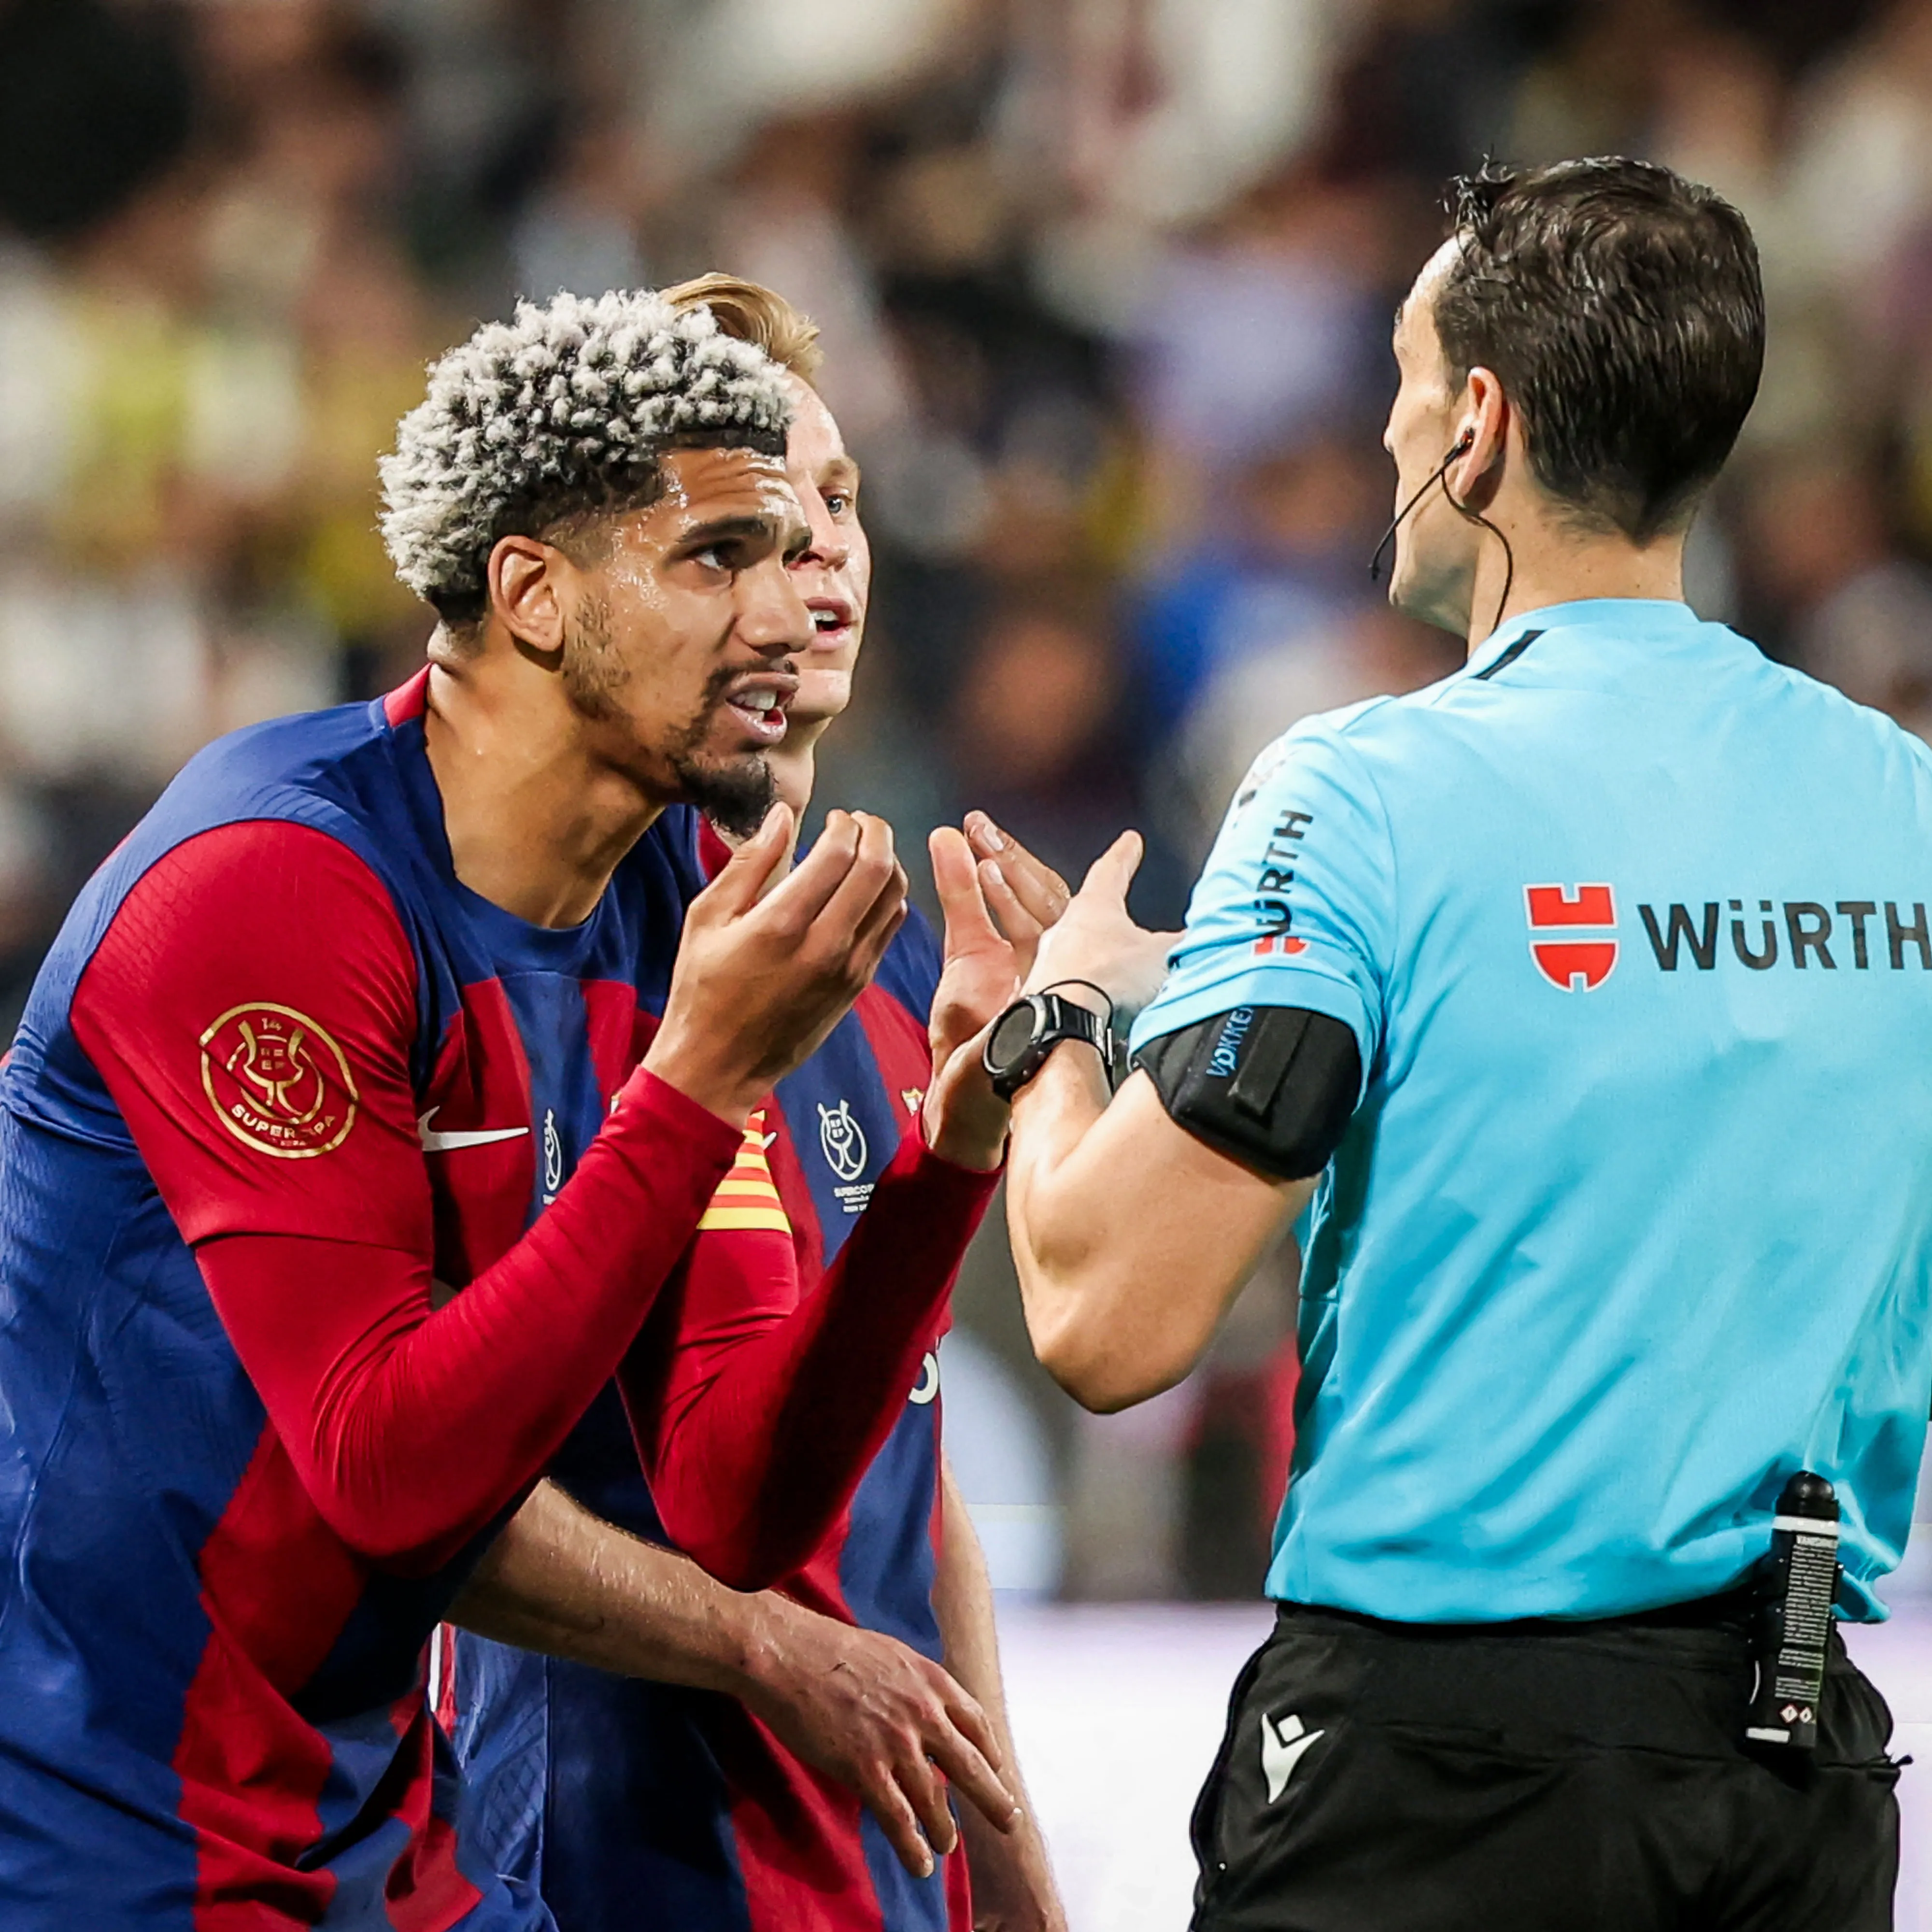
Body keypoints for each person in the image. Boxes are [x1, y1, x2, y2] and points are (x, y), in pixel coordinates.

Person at [979, 157, 1926, 1929]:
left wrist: (1055, 1018)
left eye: (1404, 386)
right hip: (1800, 1784)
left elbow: (1109, 1323)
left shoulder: (1359, 794)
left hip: (1438, 1780)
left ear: (1475, 424)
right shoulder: (1904, 806)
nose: (1392, 431)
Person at [0, 289, 1017, 1931]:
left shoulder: (667, 901)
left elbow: (738, 1509)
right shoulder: (273, 887)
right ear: (533, 593)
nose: (791, 604)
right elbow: (385, 1474)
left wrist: (947, 1165)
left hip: (392, 1842)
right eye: (717, 557)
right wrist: (695, 1089)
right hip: (103, 1832)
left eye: (807, 537)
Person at [440, 275, 1065, 1932]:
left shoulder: (865, 955)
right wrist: (960, 1149)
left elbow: (906, 1480)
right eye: (755, 537)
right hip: (644, 1862)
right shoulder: (625, 954)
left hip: (875, 1874)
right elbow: (727, 1509)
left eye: (839, 508)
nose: (823, 563)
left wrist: (1012, 1873)